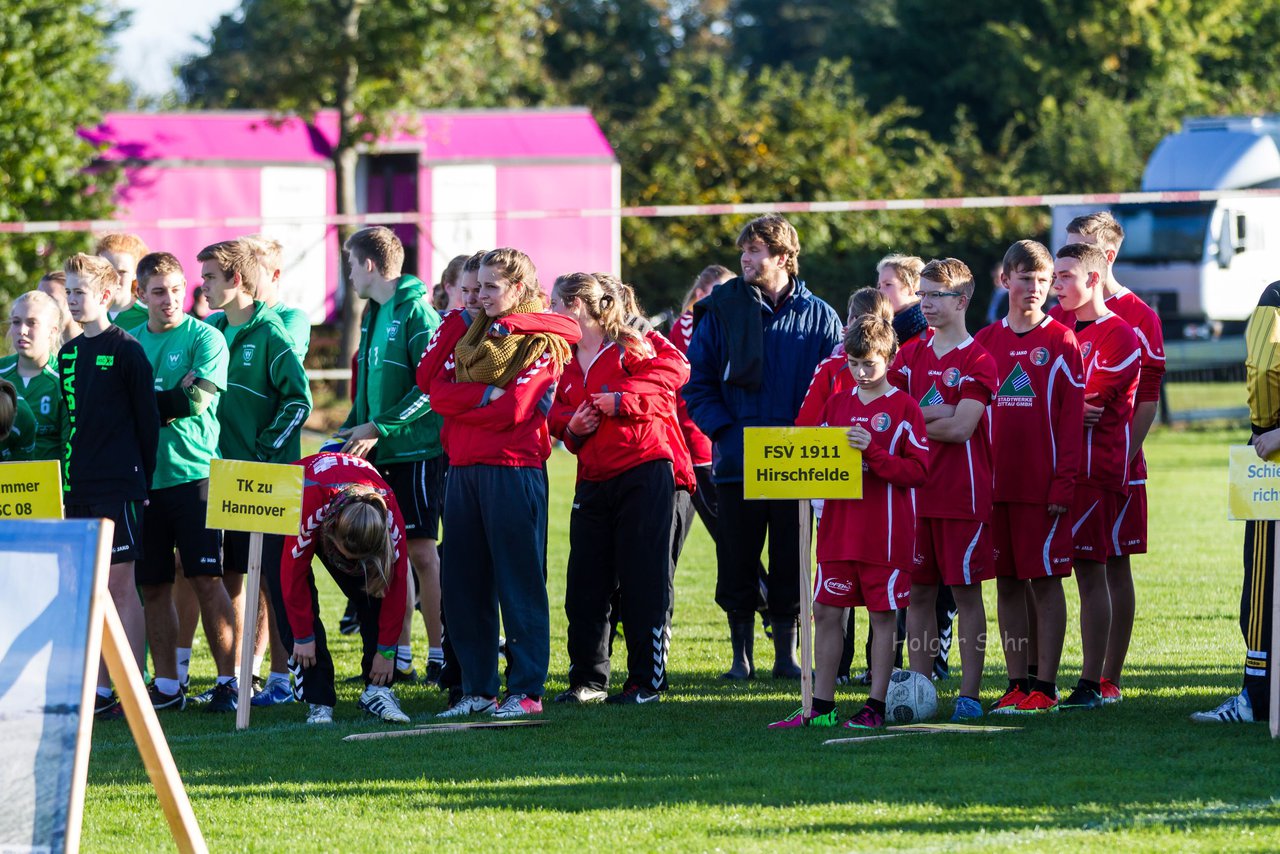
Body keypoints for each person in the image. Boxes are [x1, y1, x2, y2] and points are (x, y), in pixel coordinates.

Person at [422, 247, 581, 719]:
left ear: (518, 289)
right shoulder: (470, 332)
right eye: (477, 286)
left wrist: (467, 403)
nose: (481, 295)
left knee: (519, 583)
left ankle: (526, 691)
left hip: (513, 470)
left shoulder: (544, 342)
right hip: (463, 469)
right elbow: (432, 389)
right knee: (464, 585)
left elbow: (515, 411)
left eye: (491, 287)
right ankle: (477, 689)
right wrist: (483, 393)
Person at [684, 214, 842, 681]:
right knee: (736, 559)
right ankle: (740, 656)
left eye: (754, 251)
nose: (745, 260)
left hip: (799, 460)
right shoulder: (721, 309)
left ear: (783, 256)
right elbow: (699, 384)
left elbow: (837, 388)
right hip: (737, 459)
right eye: (743, 251)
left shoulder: (821, 316)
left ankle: (786, 656)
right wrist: (725, 432)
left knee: (792, 560)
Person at [774, 313, 929, 729]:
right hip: (839, 532)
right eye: (855, 364)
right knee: (825, 612)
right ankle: (820, 707)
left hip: (885, 536)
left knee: (882, 618)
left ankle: (874, 708)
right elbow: (817, 460)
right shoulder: (838, 404)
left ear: (889, 358)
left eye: (870, 364)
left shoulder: (904, 408)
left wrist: (874, 455)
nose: (861, 372)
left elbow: (917, 471)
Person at [548, 272, 692, 704]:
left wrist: (622, 398)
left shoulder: (630, 341)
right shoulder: (565, 357)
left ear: (577, 305)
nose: (550, 311)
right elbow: (556, 415)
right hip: (592, 480)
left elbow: (675, 371)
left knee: (643, 580)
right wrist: (570, 427)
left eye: (555, 303)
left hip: (644, 471)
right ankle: (588, 681)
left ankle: (646, 682)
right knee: (585, 585)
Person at [974, 240, 1084, 714]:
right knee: (1006, 584)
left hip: (1042, 491)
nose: (1036, 288)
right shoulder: (985, 344)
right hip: (996, 489)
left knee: (1045, 581)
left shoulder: (1062, 342)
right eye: (1025, 279)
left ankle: (1046, 685)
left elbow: (1071, 420)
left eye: (1044, 280)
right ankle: (1017, 682)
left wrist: (1064, 482)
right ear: (1006, 281)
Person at [201, 239, 313, 708]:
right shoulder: (210, 330)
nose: (202, 286)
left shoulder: (271, 334)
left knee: (272, 576)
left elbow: (299, 401)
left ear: (236, 280)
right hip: (223, 475)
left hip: (269, 476)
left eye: (209, 277)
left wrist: (264, 451)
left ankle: (285, 679)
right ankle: (238, 678)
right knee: (233, 573)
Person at [127, 251, 240, 713]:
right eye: (158, 292)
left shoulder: (207, 338)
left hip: (196, 476)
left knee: (205, 578)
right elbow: (119, 412)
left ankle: (230, 683)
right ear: (140, 295)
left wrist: (147, 403)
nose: (170, 299)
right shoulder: (127, 344)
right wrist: (165, 399)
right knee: (152, 585)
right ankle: (169, 687)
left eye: (176, 289)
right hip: (144, 481)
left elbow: (196, 399)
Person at [1063, 212, 1165, 703]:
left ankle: (1108, 676)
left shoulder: (1139, 317)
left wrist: (1127, 454)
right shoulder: (1064, 310)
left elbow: (1147, 397)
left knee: (1113, 563)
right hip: (1069, 465)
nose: (1066, 261)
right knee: (1076, 564)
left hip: (1117, 462)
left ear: (1105, 257)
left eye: (1078, 249)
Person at [338, 226, 445, 686]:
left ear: (368, 265)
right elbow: (368, 388)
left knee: (421, 552)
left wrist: (379, 427)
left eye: (349, 265)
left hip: (417, 451)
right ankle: (399, 655)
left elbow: (433, 387)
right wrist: (351, 427)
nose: (348, 276)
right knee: (387, 554)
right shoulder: (374, 312)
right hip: (380, 453)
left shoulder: (418, 312)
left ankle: (441, 653)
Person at [895, 259, 998, 721]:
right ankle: (920, 692)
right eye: (923, 293)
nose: (926, 303)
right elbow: (894, 416)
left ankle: (969, 695)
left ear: (962, 300)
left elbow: (962, 429)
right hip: (915, 497)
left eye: (936, 294)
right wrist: (934, 413)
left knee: (965, 594)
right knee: (918, 595)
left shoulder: (979, 359)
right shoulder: (909, 354)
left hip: (961, 497)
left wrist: (920, 417)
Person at [58, 253, 160, 720]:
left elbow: (148, 424)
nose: (73, 300)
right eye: (69, 291)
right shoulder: (68, 354)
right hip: (79, 485)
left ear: (104, 295)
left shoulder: (127, 350)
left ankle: (132, 690)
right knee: (88, 589)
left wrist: (143, 480)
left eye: (80, 291)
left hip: (120, 486)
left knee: (121, 585)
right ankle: (99, 690)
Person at [1050, 243, 1142, 710]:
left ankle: (1094, 682)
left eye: (1065, 276)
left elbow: (1086, 409)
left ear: (1092, 279)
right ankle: (1033, 679)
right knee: (1037, 575)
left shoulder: (1120, 335)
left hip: (1095, 470)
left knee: (1092, 571)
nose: (1055, 285)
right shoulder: (1055, 328)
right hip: (1051, 471)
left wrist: (1045, 409)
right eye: (1054, 276)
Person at [1193, 278, 1280, 723]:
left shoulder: (1277, 296)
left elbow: (1264, 369)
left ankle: (1258, 697)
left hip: (1274, 455)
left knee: (1264, 584)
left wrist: (1268, 428)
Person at [280, 452, 413, 725]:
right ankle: (318, 700)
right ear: (331, 534)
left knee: (373, 592)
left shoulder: (389, 517)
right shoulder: (311, 505)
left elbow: (396, 588)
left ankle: (377, 691)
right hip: (294, 494)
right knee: (293, 615)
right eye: (347, 559)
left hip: (352, 501)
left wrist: (386, 652)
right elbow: (292, 574)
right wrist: (303, 636)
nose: (352, 566)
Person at [2, 291, 66, 461]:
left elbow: (70, 446)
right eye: (16, 322)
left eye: (32, 323)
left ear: (52, 331)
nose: (22, 330)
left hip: (49, 483)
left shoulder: (65, 379)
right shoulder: (1, 372)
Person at [95, 233, 151, 330]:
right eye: (107, 270)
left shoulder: (150, 318)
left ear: (136, 273)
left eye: (122, 272)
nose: (114, 278)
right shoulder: (87, 316)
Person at [877, 254, 929, 346]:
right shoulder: (878, 330)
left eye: (888, 284)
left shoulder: (929, 335)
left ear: (912, 287)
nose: (880, 292)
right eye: (879, 286)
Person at [36, 271, 81, 344]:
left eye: (51, 300)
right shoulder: (39, 350)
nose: (42, 306)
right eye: (38, 299)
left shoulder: (95, 345)